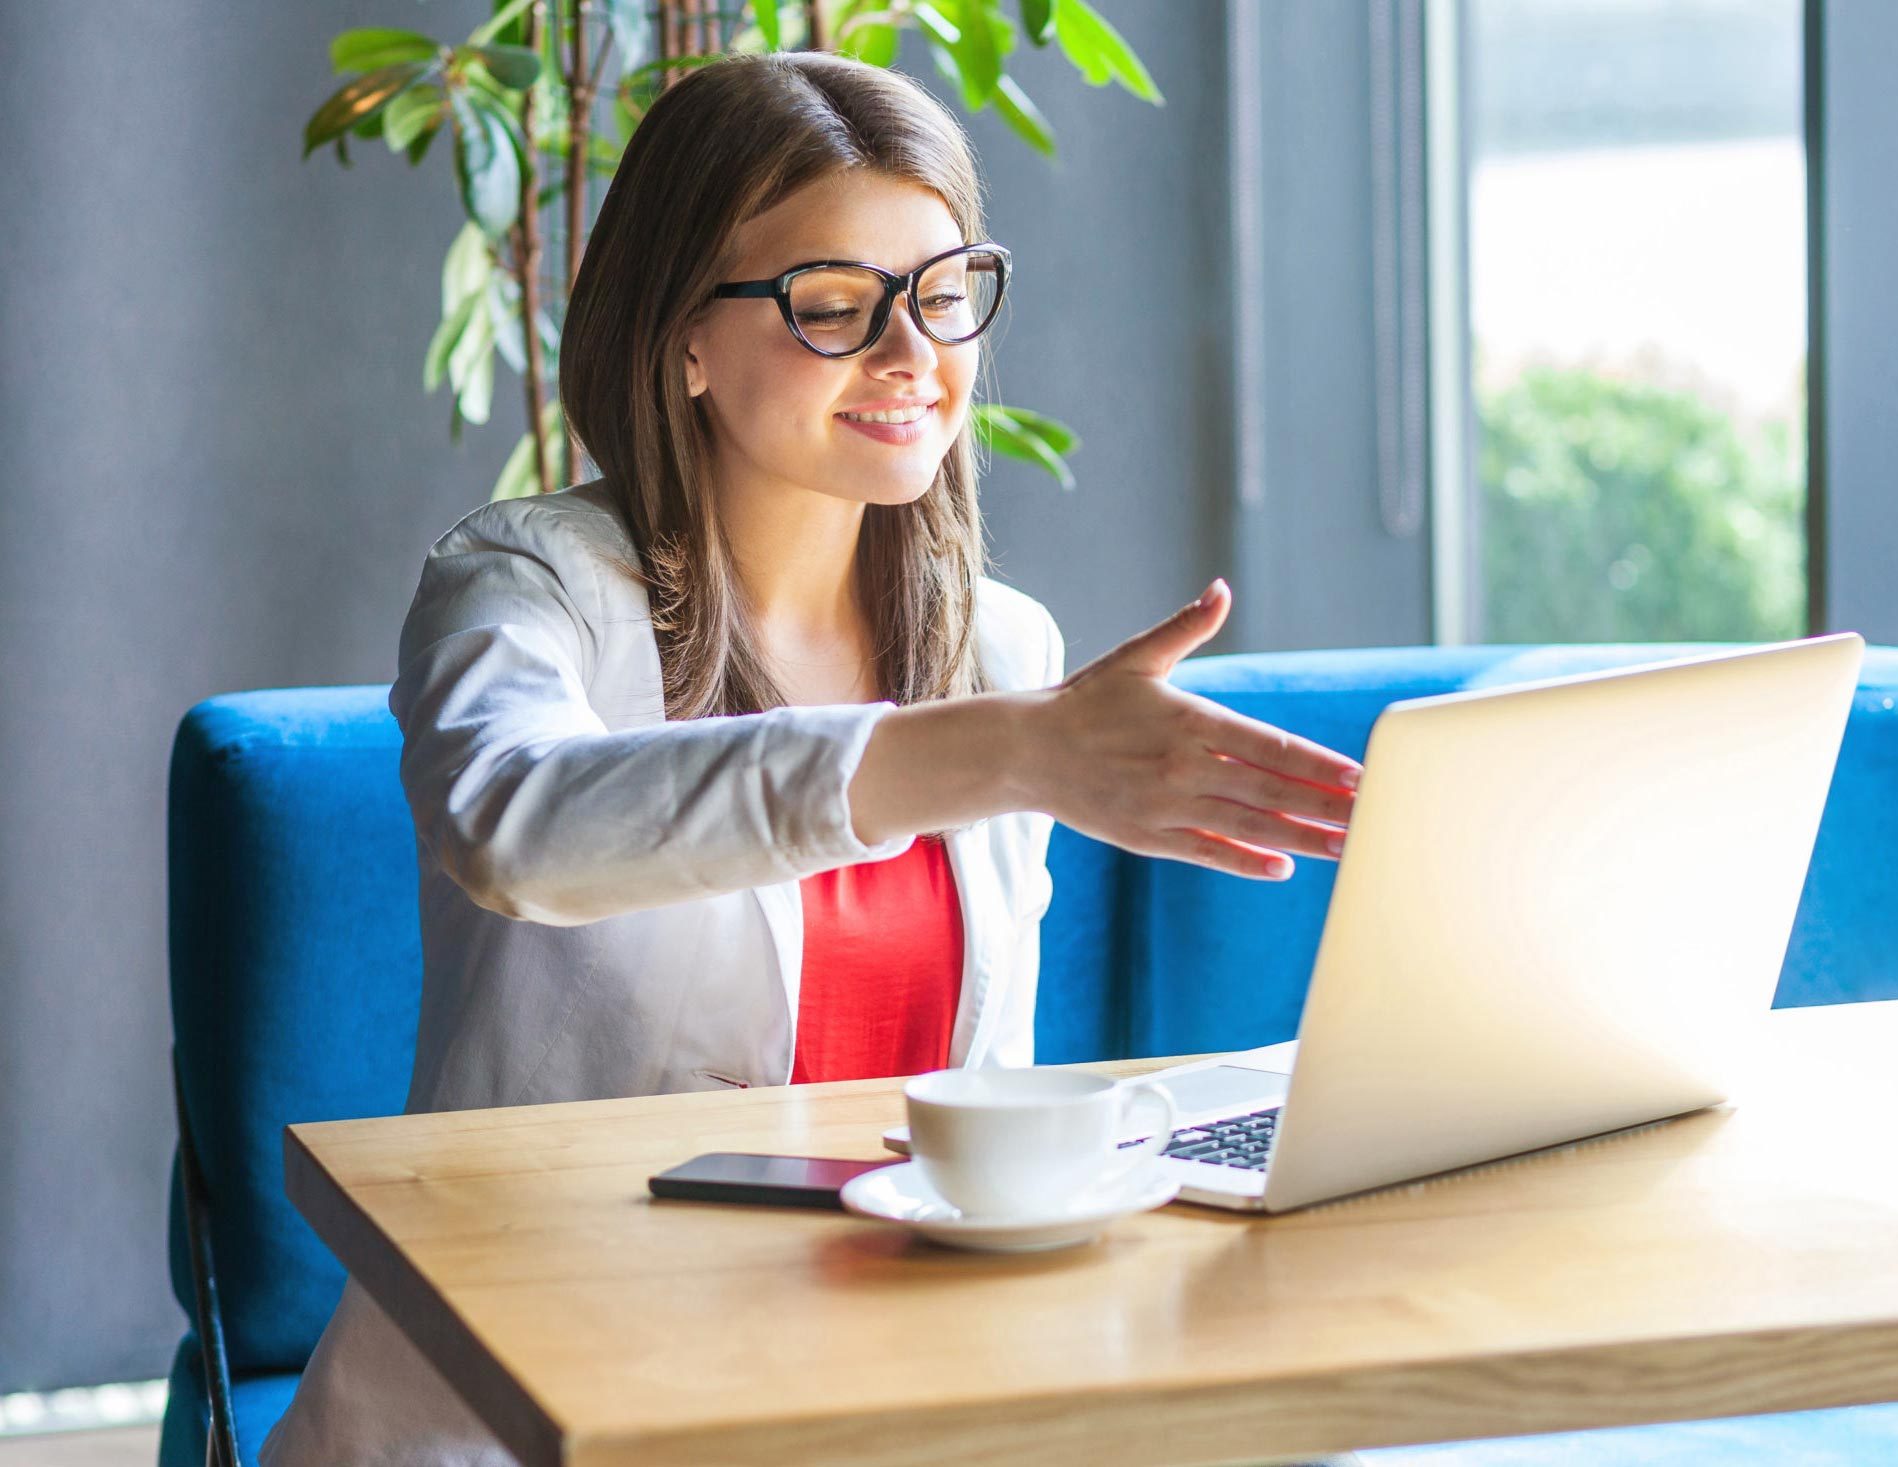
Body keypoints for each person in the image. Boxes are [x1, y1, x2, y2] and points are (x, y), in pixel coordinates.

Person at [259, 49, 1360, 1465]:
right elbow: (515, 828)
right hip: (550, 1391)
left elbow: (970, 1097)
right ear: (683, 343)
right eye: (834, 307)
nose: (915, 356)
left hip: (879, 1395)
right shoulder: (527, 584)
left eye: (945, 290)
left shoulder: (1001, 649)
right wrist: (990, 754)